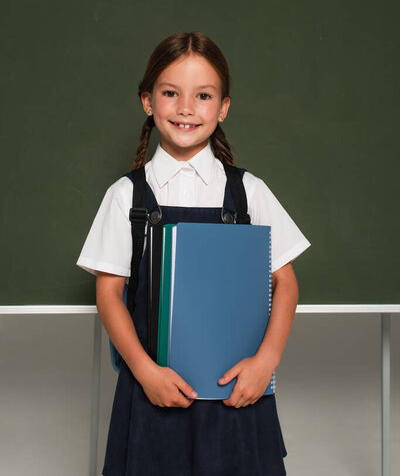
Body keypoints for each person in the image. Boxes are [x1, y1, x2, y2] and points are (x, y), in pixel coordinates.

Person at [76, 31, 311, 476]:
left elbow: (286, 281)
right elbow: (109, 295)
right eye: (170, 93)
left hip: (237, 392)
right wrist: (145, 373)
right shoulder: (127, 196)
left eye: (203, 95)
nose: (186, 108)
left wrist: (266, 362)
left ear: (222, 107)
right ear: (148, 101)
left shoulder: (247, 192)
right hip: (153, 393)